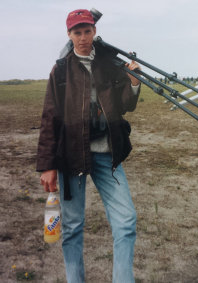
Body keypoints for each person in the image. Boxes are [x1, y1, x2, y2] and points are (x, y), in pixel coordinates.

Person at [36, 9, 141, 283]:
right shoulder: (60, 70)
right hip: (72, 158)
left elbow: (125, 106)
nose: (83, 37)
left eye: (87, 31)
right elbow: (50, 118)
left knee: (126, 222)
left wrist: (133, 81)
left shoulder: (109, 64)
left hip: (108, 154)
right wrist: (47, 166)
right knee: (71, 228)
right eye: (77, 32)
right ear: (69, 35)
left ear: (94, 31)